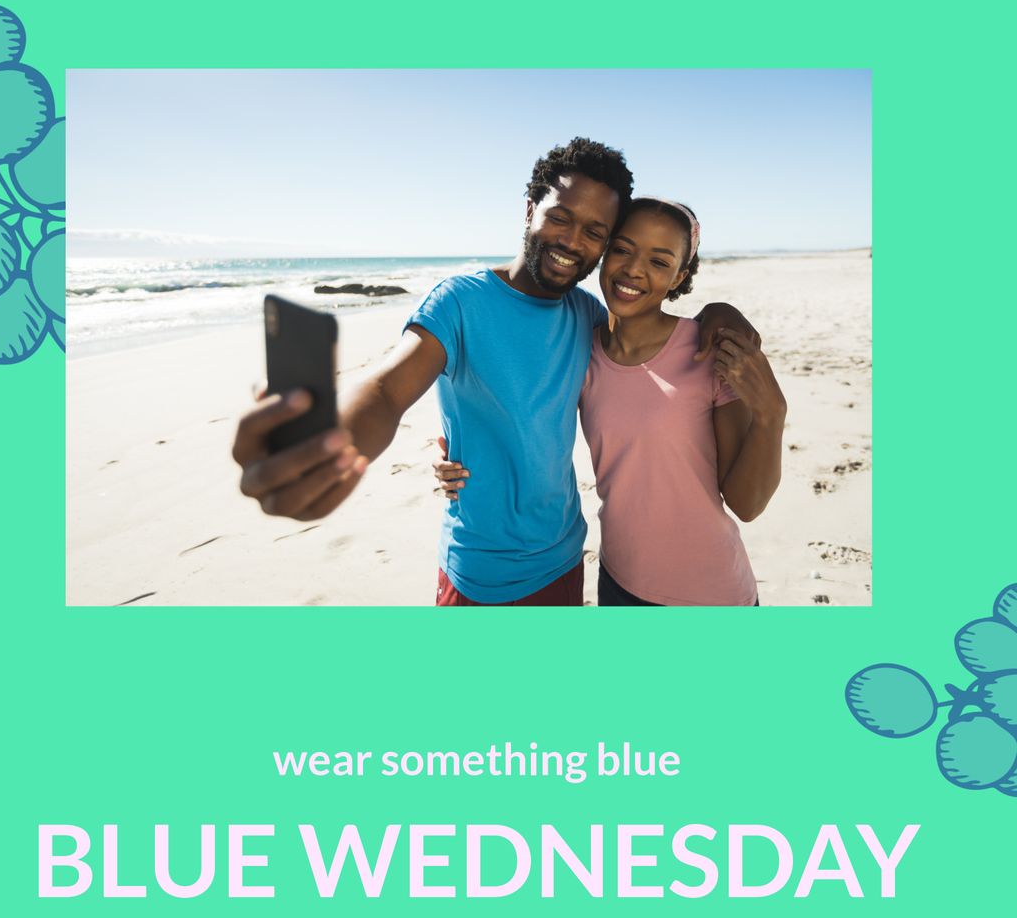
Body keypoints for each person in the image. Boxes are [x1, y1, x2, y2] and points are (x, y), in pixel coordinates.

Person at [232, 140, 759, 606]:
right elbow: (389, 390)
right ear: (529, 208)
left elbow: (648, 355)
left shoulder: (588, 316)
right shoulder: (460, 302)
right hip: (481, 574)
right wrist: (335, 446)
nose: (573, 241)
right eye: (560, 217)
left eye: (595, 231)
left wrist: (718, 313)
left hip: (565, 558)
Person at [438, 197, 786, 605]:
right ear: (604, 253)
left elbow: (746, 504)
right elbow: (517, 413)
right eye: (622, 249)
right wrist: (457, 457)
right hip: (618, 582)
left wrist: (771, 416)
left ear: (680, 276)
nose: (634, 269)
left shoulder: (710, 350)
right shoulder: (580, 348)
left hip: (711, 593)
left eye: (659, 262)